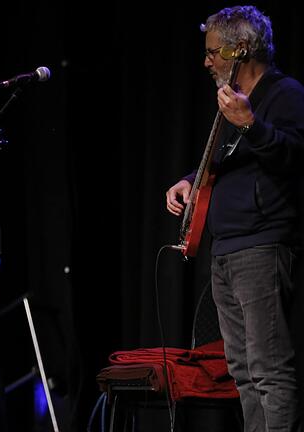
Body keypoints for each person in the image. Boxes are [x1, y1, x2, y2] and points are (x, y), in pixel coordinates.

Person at [165, 6, 304, 431]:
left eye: (213, 52)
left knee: (268, 370)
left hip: (261, 245)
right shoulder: (230, 102)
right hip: (225, 249)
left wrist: (250, 124)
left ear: (240, 49)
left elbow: (294, 156)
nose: (206, 62)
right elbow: (226, 162)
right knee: (242, 374)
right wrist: (190, 180)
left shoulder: (285, 94)